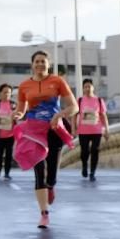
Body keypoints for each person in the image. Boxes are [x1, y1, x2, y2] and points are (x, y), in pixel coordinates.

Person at [14, 51, 78, 228]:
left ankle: (51, 185)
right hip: (34, 132)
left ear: (48, 64)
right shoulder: (25, 86)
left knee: (51, 172)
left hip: (53, 130)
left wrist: (60, 114)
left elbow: (74, 106)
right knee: (39, 171)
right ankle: (44, 213)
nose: (40, 64)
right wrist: (17, 114)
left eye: (43, 61)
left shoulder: (57, 82)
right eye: (37, 61)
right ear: (32, 65)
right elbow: (21, 109)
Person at [76, 78, 110, 181]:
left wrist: (107, 129)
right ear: (83, 89)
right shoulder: (80, 100)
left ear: (93, 87)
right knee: (84, 151)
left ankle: (92, 172)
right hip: (83, 131)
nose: (87, 88)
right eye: (85, 87)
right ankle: (84, 166)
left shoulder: (99, 100)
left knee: (95, 150)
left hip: (96, 130)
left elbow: (103, 115)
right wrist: (73, 128)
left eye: (89, 86)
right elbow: (75, 115)